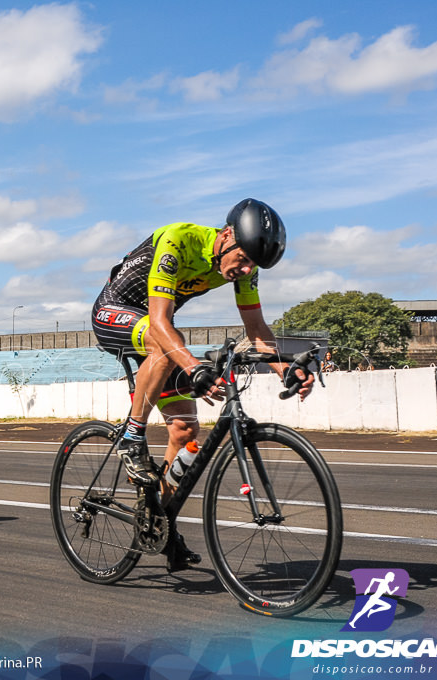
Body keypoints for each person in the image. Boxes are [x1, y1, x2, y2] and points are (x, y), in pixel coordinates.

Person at [91, 198, 314, 570]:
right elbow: (160, 322)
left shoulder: (245, 269)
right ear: (226, 235)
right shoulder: (179, 240)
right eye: (241, 259)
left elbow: (257, 332)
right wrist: (195, 368)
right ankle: (132, 437)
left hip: (158, 330)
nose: (244, 270)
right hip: (115, 313)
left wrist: (285, 367)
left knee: (184, 430)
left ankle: (158, 519)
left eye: (252, 266)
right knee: (163, 345)